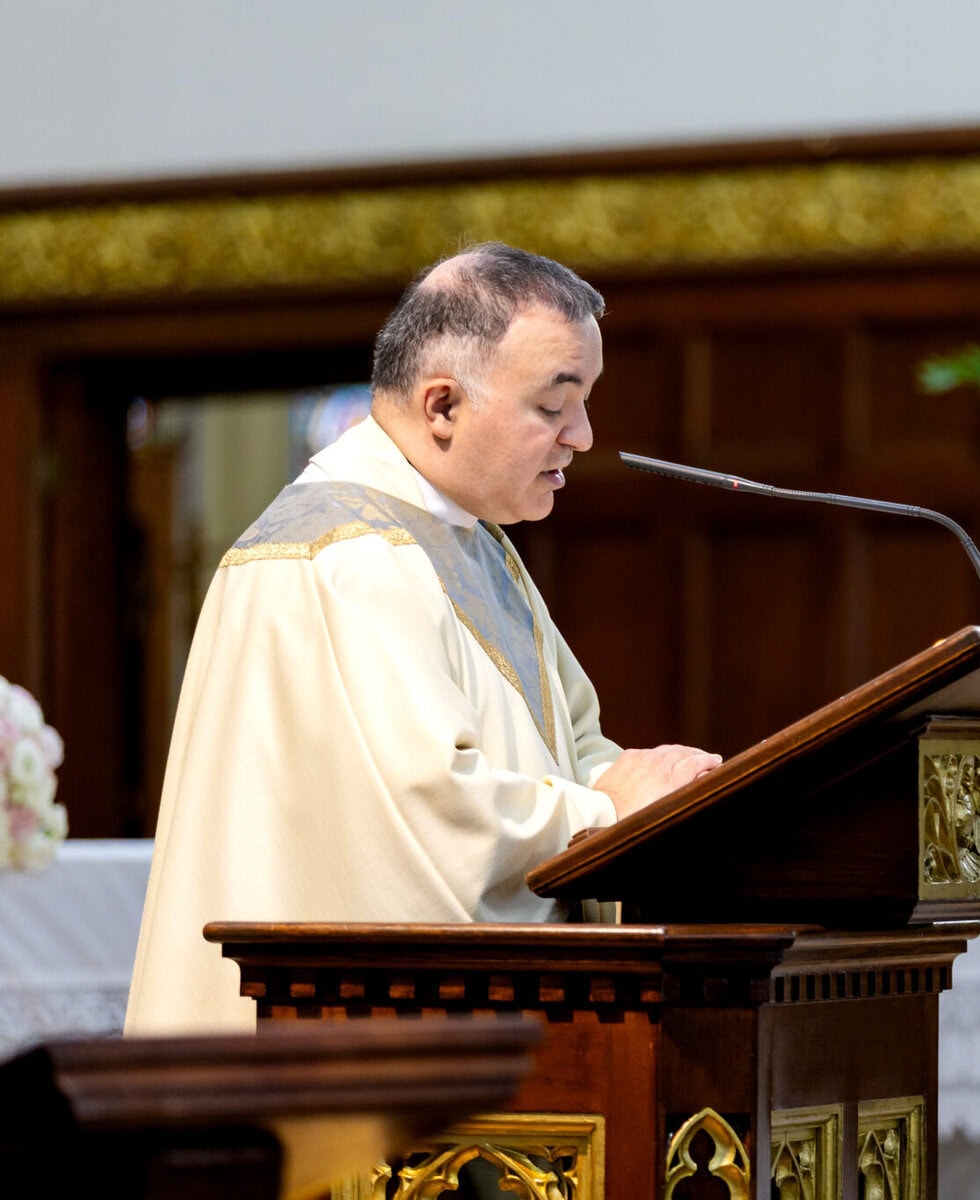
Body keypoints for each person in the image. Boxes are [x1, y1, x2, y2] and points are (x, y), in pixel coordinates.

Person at [126, 243, 720, 1034]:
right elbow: (430, 823)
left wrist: (668, 799)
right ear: (442, 406)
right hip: (327, 1059)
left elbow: (566, 747)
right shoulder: (349, 557)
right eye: (553, 405)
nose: (581, 435)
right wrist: (606, 816)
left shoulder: (462, 538)